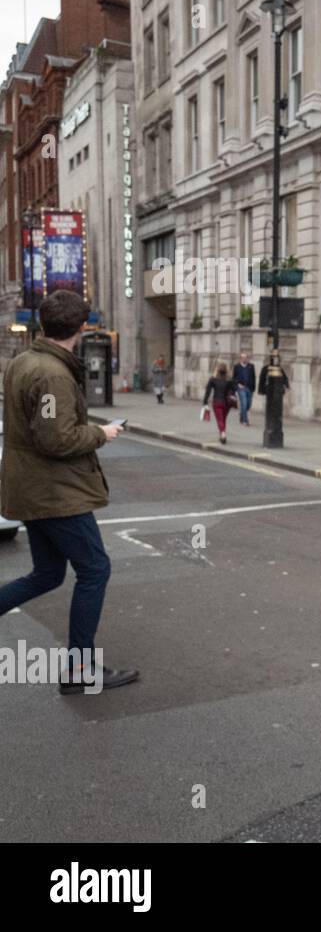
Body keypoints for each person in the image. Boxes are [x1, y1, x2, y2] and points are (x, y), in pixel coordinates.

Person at [0, 289, 139, 694]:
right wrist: (103, 432)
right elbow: (55, 439)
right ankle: (80, 670)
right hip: (54, 493)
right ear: (81, 327)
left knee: (46, 573)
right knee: (95, 569)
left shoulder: (23, 361)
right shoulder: (52, 375)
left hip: (33, 489)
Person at [202, 362, 238, 444]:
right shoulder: (229, 380)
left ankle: (223, 433)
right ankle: (222, 434)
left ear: (217, 369)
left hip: (217, 402)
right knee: (223, 419)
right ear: (226, 370)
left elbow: (208, 391)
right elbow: (235, 389)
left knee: (220, 419)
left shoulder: (213, 379)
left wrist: (205, 402)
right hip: (227, 403)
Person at [232, 351, 256, 426]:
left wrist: (253, 388)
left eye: (246, 358)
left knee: (248, 404)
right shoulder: (237, 367)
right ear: (240, 359)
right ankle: (245, 421)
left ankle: (242, 414)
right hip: (241, 387)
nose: (244, 359)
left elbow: (253, 377)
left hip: (249, 387)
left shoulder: (251, 366)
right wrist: (237, 385)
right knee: (244, 404)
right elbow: (234, 378)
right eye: (242, 358)